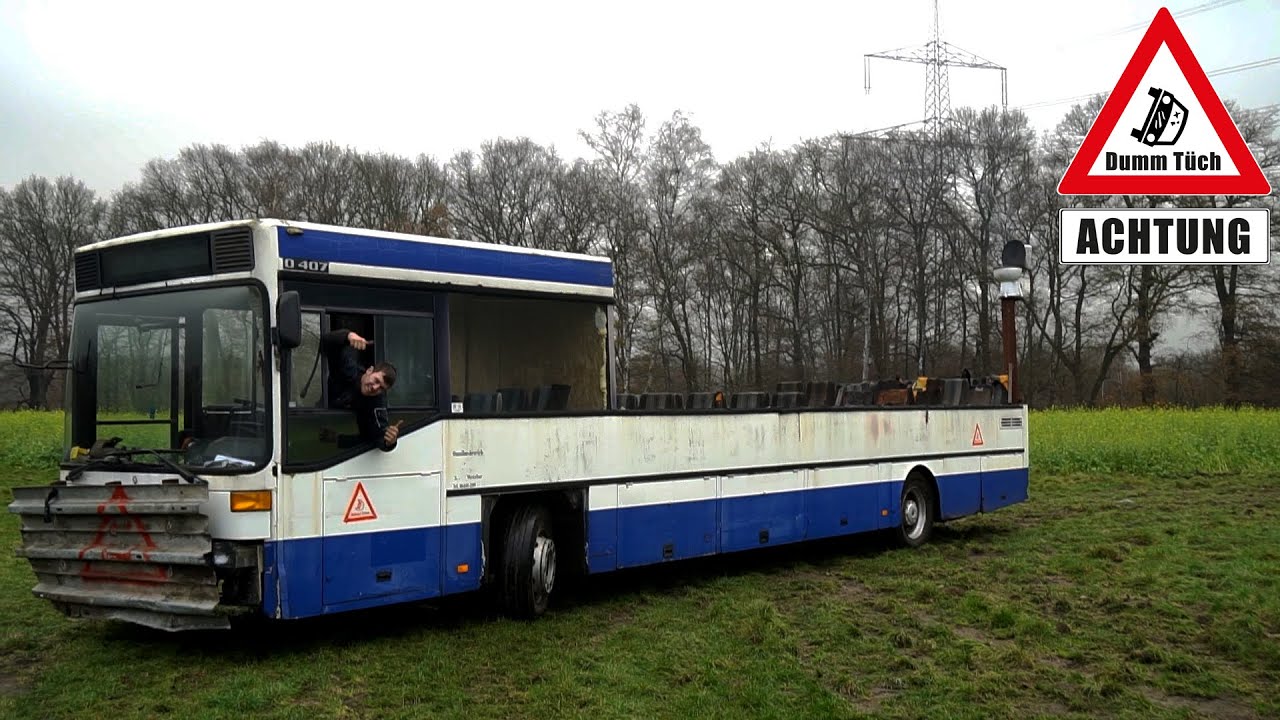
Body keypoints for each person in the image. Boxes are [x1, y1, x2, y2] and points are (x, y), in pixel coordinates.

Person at [319, 328, 402, 451]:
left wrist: (390, 442)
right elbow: (325, 342)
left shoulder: (377, 402)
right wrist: (347, 336)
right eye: (376, 380)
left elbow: (379, 437)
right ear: (369, 370)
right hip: (320, 412)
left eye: (381, 388)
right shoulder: (348, 368)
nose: (375, 388)